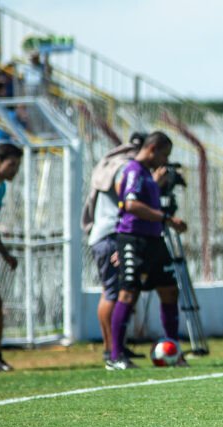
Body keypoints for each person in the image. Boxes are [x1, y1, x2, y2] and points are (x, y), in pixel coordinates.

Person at [108, 132, 187, 370]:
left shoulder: (147, 175)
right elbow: (130, 205)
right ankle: (116, 356)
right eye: (164, 154)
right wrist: (167, 218)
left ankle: (172, 348)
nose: (164, 160)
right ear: (152, 148)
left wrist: (158, 185)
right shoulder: (132, 170)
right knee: (128, 294)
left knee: (169, 290)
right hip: (134, 239)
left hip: (154, 239)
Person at [82, 133, 146, 363]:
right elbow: (126, 198)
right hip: (111, 236)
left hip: (104, 235)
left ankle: (116, 346)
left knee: (112, 291)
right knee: (112, 292)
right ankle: (111, 350)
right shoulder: (126, 167)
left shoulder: (114, 163)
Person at [0, 143, 21, 372]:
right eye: (12, 165)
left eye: (17, 166)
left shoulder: (0, 188)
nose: (15, 171)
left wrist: (4, 254)